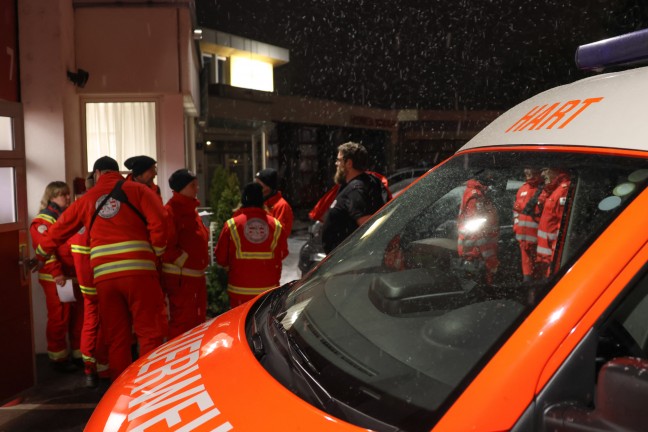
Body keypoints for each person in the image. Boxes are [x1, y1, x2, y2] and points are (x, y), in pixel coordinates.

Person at [33, 156, 169, 381]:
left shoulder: (86, 200)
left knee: (117, 337)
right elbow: (159, 222)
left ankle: (120, 390)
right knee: (149, 334)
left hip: (105, 279)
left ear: (97, 174)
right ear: (118, 172)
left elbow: (59, 229)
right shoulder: (139, 191)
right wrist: (158, 250)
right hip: (140, 274)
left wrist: (40, 254)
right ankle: (150, 387)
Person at [29, 181, 84, 373]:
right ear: (51, 197)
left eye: (68, 194)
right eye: (63, 195)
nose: (68, 198)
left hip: (73, 275)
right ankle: (58, 359)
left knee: (78, 317)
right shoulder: (42, 222)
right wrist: (57, 274)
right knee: (59, 318)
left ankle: (79, 354)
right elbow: (46, 250)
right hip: (56, 278)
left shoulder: (66, 217)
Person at [214, 182, 289, 307]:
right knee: (263, 325)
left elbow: (220, 258)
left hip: (239, 291)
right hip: (268, 291)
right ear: (262, 200)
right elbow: (283, 253)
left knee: (240, 325)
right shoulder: (275, 225)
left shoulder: (232, 225)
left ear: (243, 199)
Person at [161, 169, 210, 339]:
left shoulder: (190, 210)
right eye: (192, 185)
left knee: (197, 320)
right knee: (182, 322)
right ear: (181, 188)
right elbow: (166, 247)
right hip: (182, 280)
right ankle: (178, 359)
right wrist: (186, 262)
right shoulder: (171, 212)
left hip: (193, 278)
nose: (197, 188)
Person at [321, 142, 388, 254]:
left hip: (347, 261)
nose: (336, 164)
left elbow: (369, 225)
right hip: (343, 260)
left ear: (349, 163)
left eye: (339, 160)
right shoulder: (360, 184)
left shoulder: (356, 189)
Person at [457, 172, 500, 284]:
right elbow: (479, 233)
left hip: (473, 253)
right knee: (483, 289)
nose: (491, 177)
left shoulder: (475, 193)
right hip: (477, 254)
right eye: (489, 174)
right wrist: (491, 260)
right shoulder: (476, 197)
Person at [536, 167, 571, 278]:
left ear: (556, 170)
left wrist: (555, 255)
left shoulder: (563, 190)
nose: (542, 173)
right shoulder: (554, 190)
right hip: (547, 255)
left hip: (553, 257)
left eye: (545, 169)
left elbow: (563, 227)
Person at [512, 168, 544, 282]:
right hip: (523, 240)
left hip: (539, 241)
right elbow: (516, 210)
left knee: (540, 275)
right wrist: (516, 227)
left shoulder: (544, 189)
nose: (527, 172)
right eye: (525, 169)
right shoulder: (522, 189)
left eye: (530, 169)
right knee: (527, 276)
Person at [255, 168, 294, 236]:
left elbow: (280, 233)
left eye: (259, 185)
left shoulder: (282, 206)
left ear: (268, 187)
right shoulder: (259, 202)